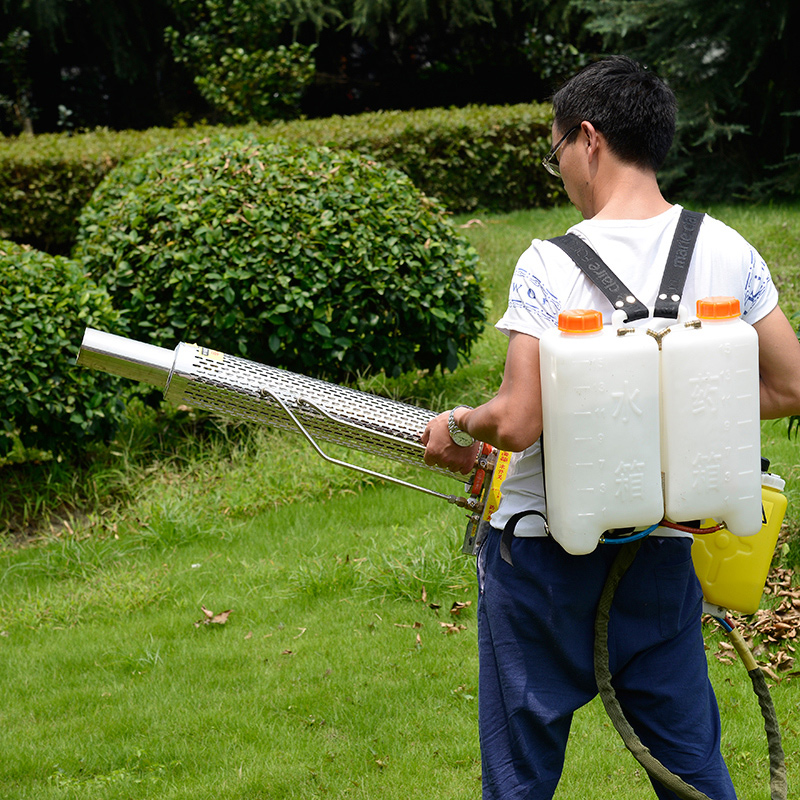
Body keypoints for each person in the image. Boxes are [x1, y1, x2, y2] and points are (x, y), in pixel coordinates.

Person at [421, 55, 800, 800]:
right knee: (693, 777)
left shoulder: (548, 262)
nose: (558, 167)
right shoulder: (729, 249)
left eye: (555, 150)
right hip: (661, 554)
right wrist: (681, 396)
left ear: (588, 138)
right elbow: (790, 385)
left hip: (541, 561)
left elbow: (519, 420)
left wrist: (461, 419)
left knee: (520, 779)